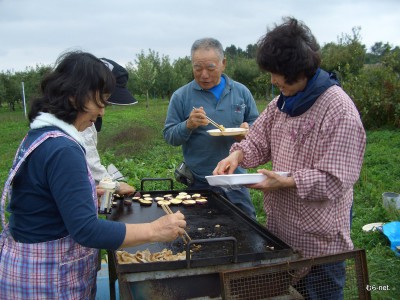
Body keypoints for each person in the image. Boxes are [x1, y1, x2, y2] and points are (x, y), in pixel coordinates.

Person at [0, 51, 186, 299]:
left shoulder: (40, 136)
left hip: (27, 266)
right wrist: (155, 230)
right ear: (74, 96)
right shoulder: (63, 149)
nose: (102, 113)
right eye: (100, 103)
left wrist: (85, 194)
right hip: (48, 281)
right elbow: (86, 231)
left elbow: (43, 196)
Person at [213, 17, 366, 299]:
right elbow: (258, 138)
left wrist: (287, 181)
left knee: (322, 293)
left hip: (321, 239)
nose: (272, 80)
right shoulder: (282, 103)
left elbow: (335, 180)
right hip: (282, 230)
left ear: (297, 69)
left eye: (277, 74)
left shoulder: (339, 111)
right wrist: (238, 155)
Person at [163, 37, 259, 219]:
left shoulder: (241, 92)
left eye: (210, 68)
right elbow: (169, 136)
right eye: (197, 68)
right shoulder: (181, 96)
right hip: (200, 181)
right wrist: (187, 125)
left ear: (223, 64)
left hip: (235, 180)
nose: (204, 75)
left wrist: (247, 132)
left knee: (246, 231)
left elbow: (257, 127)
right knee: (200, 233)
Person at [81, 57, 138, 196]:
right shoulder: (78, 126)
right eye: (103, 99)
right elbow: (90, 165)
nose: (102, 112)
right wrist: (116, 186)